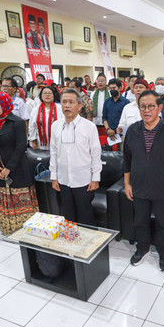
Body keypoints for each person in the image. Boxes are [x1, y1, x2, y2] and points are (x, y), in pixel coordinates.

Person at [124, 90, 164, 271]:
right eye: (143, 107)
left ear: (159, 108)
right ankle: (142, 248)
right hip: (139, 186)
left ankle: (163, 253)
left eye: (151, 106)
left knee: (163, 223)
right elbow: (126, 160)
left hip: (163, 187)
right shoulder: (133, 130)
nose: (147, 110)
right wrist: (127, 183)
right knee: (140, 221)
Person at [0, 92, 39, 234]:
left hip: (17, 167)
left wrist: (9, 168)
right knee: (4, 197)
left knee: (20, 197)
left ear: (5, 104)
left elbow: (21, 146)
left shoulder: (17, 122)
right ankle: (8, 227)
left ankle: (25, 229)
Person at [49, 89, 102, 225]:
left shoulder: (89, 126)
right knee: (67, 214)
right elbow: (53, 152)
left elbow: (96, 154)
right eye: (64, 102)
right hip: (63, 179)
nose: (67, 105)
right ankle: (71, 242)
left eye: (71, 102)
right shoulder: (55, 126)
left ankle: (88, 243)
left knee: (85, 215)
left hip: (84, 180)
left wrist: (95, 178)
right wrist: (54, 177)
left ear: (79, 106)